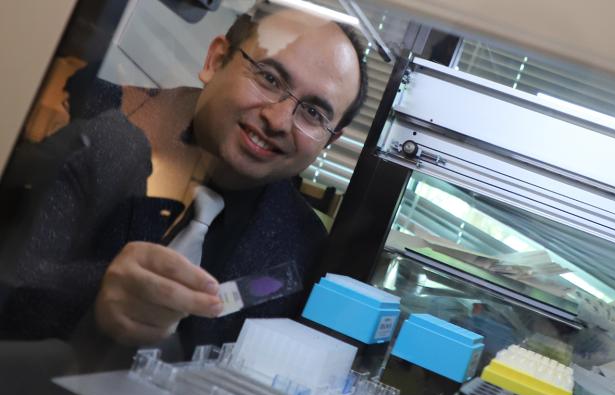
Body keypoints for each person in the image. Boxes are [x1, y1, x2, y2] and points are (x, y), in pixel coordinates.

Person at [0, 7, 368, 355]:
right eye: (269, 79)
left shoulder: (303, 246)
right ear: (215, 61)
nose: (278, 119)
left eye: (313, 113)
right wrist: (97, 296)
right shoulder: (82, 118)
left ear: (330, 139)